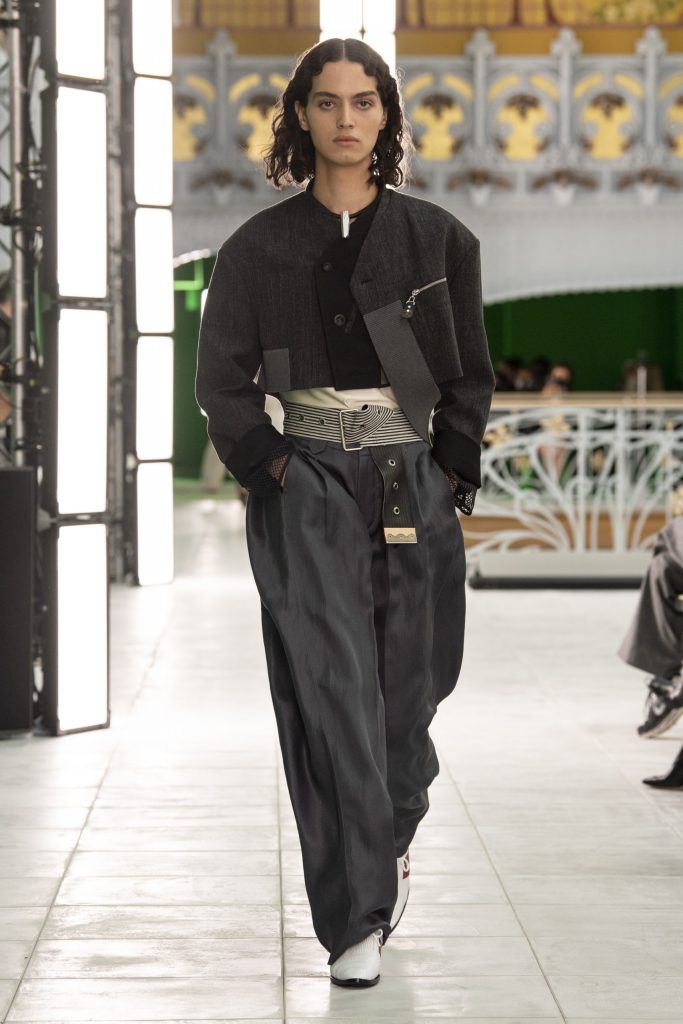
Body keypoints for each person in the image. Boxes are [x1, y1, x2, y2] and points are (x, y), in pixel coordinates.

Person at [195, 38, 494, 987]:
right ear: (301, 115)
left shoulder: (438, 240)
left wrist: (449, 464)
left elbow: (467, 375)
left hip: (412, 478)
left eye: (363, 102)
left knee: (411, 694)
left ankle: (389, 831)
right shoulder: (256, 248)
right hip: (308, 481)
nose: (346, 119)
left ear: (386, 116)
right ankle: (354, 916)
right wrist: (274, 466)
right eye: (326, 102)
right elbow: (221, 382)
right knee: (330, 695)